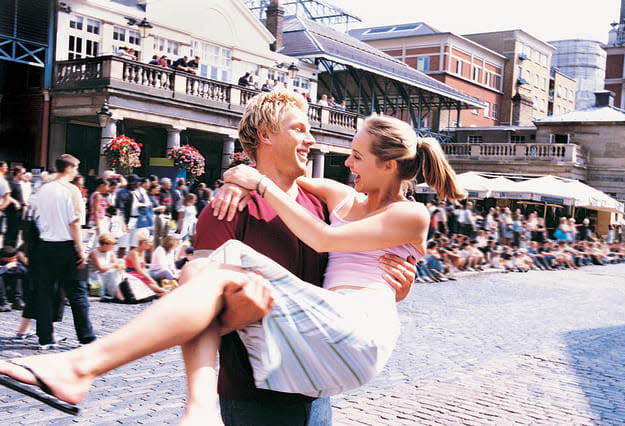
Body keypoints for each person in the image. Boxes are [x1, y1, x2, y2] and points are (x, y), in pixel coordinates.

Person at [0, 92, 421, 423]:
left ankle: (84, 367)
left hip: (315, 387)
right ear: (266, 136)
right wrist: (238, 185)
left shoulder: (325, 205)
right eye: (300, 128)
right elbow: (197, 300)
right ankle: (189, 401)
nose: (313, 141)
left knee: (210, 273)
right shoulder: (225, 207)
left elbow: (348, 262)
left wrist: (394, 287)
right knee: (203, 273)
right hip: (255, 393)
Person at [30, 154, 96, 349]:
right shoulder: (72, 190)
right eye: (75, 168)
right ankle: (86, 337)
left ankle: (45, 337)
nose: (76, 172)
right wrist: (81, 250)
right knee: (78, 293)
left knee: (45, 291)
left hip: (45, 244)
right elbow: (74, 222)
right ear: (68, 168)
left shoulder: (42, 189)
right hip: (66, 245)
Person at [124, 229, 168, 298]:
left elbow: (143, 268)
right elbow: (139, 270)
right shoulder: (134, 253)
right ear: (144, 243)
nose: (151, 245)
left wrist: (149, 278)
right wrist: (150, 279)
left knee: (162, 290)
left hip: (138, 274)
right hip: (132, 273)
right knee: (162, 291)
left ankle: (153, 294)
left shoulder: (142, 251)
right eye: (150, 243)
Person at [87, 233, 123, 299]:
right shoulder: (94, 253)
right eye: (111, 245)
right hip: (95, 276)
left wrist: (118, 264)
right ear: (104, 244)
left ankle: (117, 292)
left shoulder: (110, 252)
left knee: (118, 271)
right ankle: (118, 295)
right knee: (114, 272)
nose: (113, 247)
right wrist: (114, 265)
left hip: (105, 274)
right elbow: (101, 269)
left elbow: (116, 265)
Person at [5, 166, 25, 247]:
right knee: (11, 231)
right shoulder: (12, 183)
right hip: (12, 211)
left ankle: (13, 249)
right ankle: (7, 251)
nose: (24, 175)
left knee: (16, 232)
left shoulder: (18, 183)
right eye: (23, 173)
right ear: (18, 173)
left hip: (19, 211)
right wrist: (15, 202)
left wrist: (23, 203)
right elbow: (7, 196)